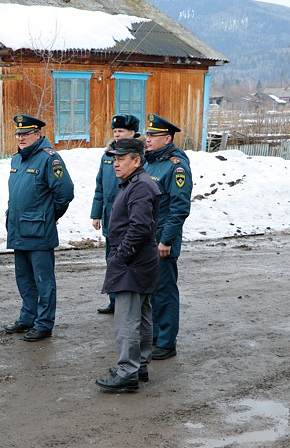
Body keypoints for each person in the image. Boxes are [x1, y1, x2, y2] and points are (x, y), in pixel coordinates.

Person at [94, 138, 160, 393]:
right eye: (114, 159)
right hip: (139, 260)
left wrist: (120, 255)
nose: (115, 163)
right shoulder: (136, 182)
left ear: (137, 160)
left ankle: (128, 373)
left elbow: (140, 226)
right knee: (142, 315)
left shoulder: (140, 186)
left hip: (132, 262)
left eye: (121, 159)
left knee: (126, 320)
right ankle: (139, 365)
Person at [3, 114, 74, 341]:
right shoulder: (17, 159)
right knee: (23, 278)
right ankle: (27, 317)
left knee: (43, 280)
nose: (21, 138)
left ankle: (43, 324)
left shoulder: (49, 159)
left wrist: (49, 215)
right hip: (18, 228)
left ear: (37, 134)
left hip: (39, 231)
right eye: (18, 134)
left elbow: (65, 193)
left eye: (25, 134)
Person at [143, 113, 193, 360]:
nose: (148, 139)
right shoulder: (150, 162)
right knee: (151, 291)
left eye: (153, 135)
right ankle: (155, 336)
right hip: (147, 237)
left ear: (168, 138)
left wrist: (167, 240)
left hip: (162, 239)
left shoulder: (176, 166)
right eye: (147, 134)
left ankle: (166, 342)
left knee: (164, 291)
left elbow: (179, 208)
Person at [91, 114, 141, 315]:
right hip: (110, 218)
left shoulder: (138, 155)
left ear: (132, 133)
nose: (117, 135)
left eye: (121, 131)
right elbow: (100, 187)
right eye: (115, 132)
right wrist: (96, 213)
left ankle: (130, 304)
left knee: (130, 262)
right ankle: (114, 301)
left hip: (129, 219)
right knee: (112, 261)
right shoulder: (108, 156)